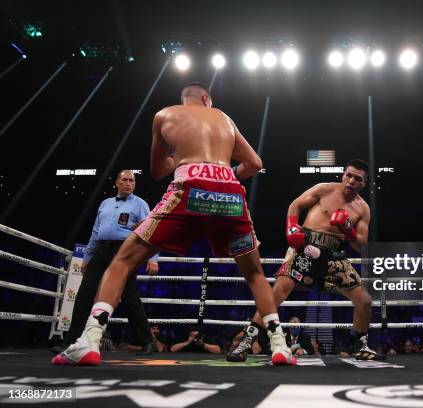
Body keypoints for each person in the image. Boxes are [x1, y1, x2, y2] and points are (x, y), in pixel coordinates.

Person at [53, 83, 294, 366]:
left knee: (122, 261)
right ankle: (280, 346)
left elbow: (156, 171)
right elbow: (254, 162)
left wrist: (178, 160)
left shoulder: (164, 115)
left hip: (189, 186)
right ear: (206, 99)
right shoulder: (224, 118)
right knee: (254, 273)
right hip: (229, 192)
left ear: (186, 99)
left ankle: (90, 341)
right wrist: (225, 176)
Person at [227, 159, 385, 362]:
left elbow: (361, 245)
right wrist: (292, 227)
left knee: (364, 300)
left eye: (358, 178)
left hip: (332, 255)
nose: (351, 180)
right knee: (277, 292)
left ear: (363, 183)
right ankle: (246, 341)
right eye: (349, 175)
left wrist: (349, 230)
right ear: (343, 174)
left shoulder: (363, 209)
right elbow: (296, 204)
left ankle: (361, 346)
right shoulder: (324, 189)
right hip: (305, 246)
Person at [51, 170, 158, 355]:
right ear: (116, 182)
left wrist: (152, 258)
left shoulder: (140, 204)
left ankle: (147, 341)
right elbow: (95, 232)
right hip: (100, 251)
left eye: (131, 180)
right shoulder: (105, 203)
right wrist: (87, 257)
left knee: (130, 296)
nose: (128, 183)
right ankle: (71, 342)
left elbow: (151, 230)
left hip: (124, 252)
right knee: (84, 294)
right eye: (124, 180)